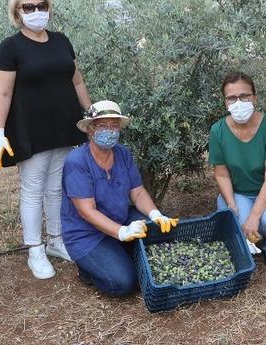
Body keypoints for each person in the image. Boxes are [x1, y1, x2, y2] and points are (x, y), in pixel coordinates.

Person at [0, 0, 92, 279]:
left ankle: (57, 241)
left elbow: (77, 82)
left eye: (41, 5)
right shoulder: (10, 47)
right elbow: (4, 93)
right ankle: (35, 248)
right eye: (28, 7)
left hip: (64, 124)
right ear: (17, 13)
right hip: (29, 128)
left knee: (56, 186)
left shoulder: (61, 41)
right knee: (33, 188)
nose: (36, 12)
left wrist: (92, 114)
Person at [60, 100, 179, 296]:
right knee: (124, 282)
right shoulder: (77, 161)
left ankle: (119, 250)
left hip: (119, 218)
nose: (110, 130)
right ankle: (88, 270)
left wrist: (155, 215)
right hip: (87, 236)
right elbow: (86, 211)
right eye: (102, 125)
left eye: (114, 125)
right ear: (90, 129)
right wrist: (122, 232)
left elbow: (138, 192)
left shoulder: (122, 154)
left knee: (161, 240)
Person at [209, 71, 266, 268]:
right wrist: (231, 204)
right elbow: (221, 173)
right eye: (232, 98)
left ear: (254, 97)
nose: (238, 102)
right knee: (235, 219)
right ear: (225, 102)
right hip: (238, 192)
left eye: (244, 96)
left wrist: (254, 216)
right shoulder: (218, 130)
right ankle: (251, 241)